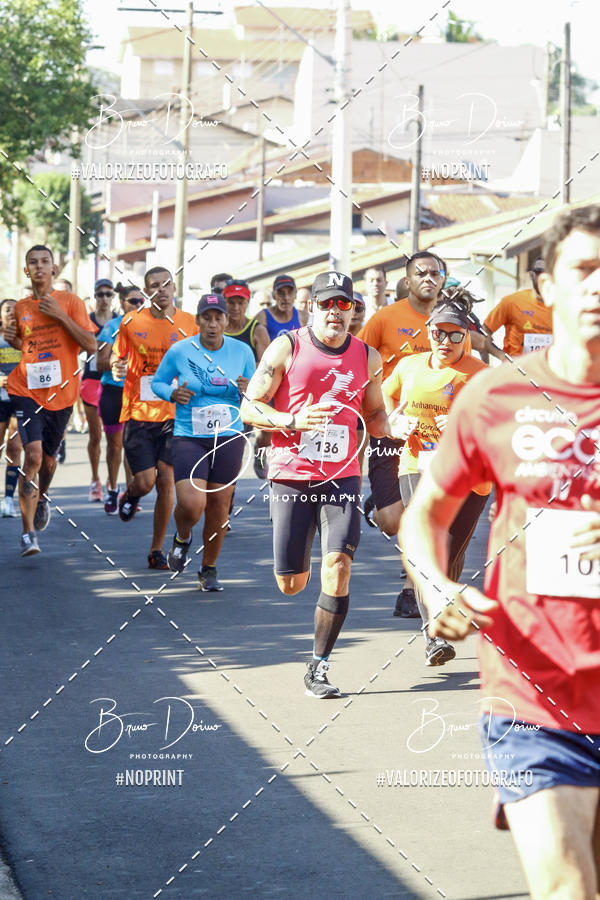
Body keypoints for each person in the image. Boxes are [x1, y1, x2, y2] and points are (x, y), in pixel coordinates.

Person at [400, 205, 600, 899]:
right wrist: (436, 588)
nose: (599, 288)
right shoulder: (497, 396)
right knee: (568, 888)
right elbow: (425, 515)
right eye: (584, 270)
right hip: (533, 695)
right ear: (546, 288)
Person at [241, 271, 392, 698]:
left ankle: (319, 666)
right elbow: (248, 406)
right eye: (327, 303)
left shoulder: (368, 357)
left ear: (353, 311)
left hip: (341, 476)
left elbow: (377, 415)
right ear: (313, 308)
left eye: (344, 305)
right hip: (290, 474)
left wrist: (399, 426)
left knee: (338, 567)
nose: (335, 312)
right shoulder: (288, 346)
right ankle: (297, 572)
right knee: (291, 582)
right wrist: (290, 420)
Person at [382, 300, 491, 665]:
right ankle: (433, 638)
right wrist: (395, 422)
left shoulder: (479, 374)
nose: (445, 340)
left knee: (450, 555)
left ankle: (441, 611)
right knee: (431, 543)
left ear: (466, 336)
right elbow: (384, 396)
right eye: (438, 332)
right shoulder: (409, 366)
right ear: (428, 332)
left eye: (454, 334)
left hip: (470, 474)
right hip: (417, 462)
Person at [358, 251, 454, 616]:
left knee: (423, 511)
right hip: (390, 428)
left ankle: (411, 590)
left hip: (435, 436)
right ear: (407, 279)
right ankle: (380, 507)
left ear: (442, 279)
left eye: (435, 273)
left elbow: (470, 359)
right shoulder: (385, 318)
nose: (428, 279)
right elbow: (360, 357)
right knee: (392, 519)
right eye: (420, 273)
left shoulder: (452, 318)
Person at [152, 292, 255, 588]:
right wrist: (171, 393)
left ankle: (208, 568)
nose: (212, 324)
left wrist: (248, 389)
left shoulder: (242, 352)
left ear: (227, 320)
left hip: (228, 435)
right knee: (192, 503)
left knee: (219, 504)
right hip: (190, 435)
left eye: (218, 318)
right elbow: (158, 381)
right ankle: (182, 537)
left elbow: (258, 391)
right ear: (197, 321)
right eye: (206, 318)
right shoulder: (180, 351)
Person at [5, 246, 96, 555]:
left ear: (54, 269)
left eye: (45, 262)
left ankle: (42, 496)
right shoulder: (20, 307)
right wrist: (13, 340)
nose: (39, 267)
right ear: (27, 271)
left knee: (49, 460)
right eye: (33, 262)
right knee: (32, 456)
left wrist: (60, 315)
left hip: (63, 393)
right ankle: (28, 533)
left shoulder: (71, 302)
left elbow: (90, 344)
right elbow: (24, 343)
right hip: (26, 389)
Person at [110, 266, 197, 569]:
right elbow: (116, 358)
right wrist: (116, 367)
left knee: (166, 481)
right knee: (145, 482)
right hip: (140, 412)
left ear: (174, 287)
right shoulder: (132, 322)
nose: (161, 290)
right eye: (154, 286)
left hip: (176, 414)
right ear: (146, 292)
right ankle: (131, 495)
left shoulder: (190, 323)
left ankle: (156, 550)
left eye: (166, 284)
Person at [96, 284, 145, 514]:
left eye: (140, 301)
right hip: (114, 392)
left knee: (132, 446)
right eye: (133, 301)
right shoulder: (111, 327)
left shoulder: (148, 326)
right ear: (122, 303)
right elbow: (99, 363)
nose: (137, 305)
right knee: (115, 447)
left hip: (138, 394)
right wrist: (117, 363)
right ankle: (113, 488)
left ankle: (130, 493)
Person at [223, 279, 270, 480]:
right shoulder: (215, 328)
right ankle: (223, 489)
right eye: (231, 302)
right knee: (221, 446)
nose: (235, 307)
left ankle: (260, 451)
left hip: (245, 398)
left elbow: (268, 366)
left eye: (240, 302)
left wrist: (250, 383)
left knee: (240, 444)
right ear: (224, 302)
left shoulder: (256, 330)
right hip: (217, 396)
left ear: (247, 303)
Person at [81, 278, 116, 502]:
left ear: (113, 297)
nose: (103, 298)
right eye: (99, 294)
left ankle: (113, 484)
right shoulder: (87, 321)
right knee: (95, 435)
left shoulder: (120, 321)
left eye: (107, 294)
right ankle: (95, 480)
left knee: (116, 439)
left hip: (114, 382)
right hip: (92, 380)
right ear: (94, 297)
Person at [483, 259, 553, 361]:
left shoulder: (562, 305)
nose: (543, 278)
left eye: (548, 273)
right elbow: (484, 332)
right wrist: (501, 356)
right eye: (539, 272)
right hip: (516, 371)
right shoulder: (512, 302)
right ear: (531, 274)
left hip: (546, 371)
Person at [0, 299, 22, 517]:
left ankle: (8, 500)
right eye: (7, 310)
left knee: (14, 448)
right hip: (0, 400)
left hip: (19, 400)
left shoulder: (26, 339)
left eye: (16, 310)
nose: (12, 313)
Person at [255, 274, 301, 340]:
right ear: (274, 295)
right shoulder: (262, 317)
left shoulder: (302, 316)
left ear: (295, 295)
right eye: (281, 293)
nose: (286, 298)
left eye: (290, 292)